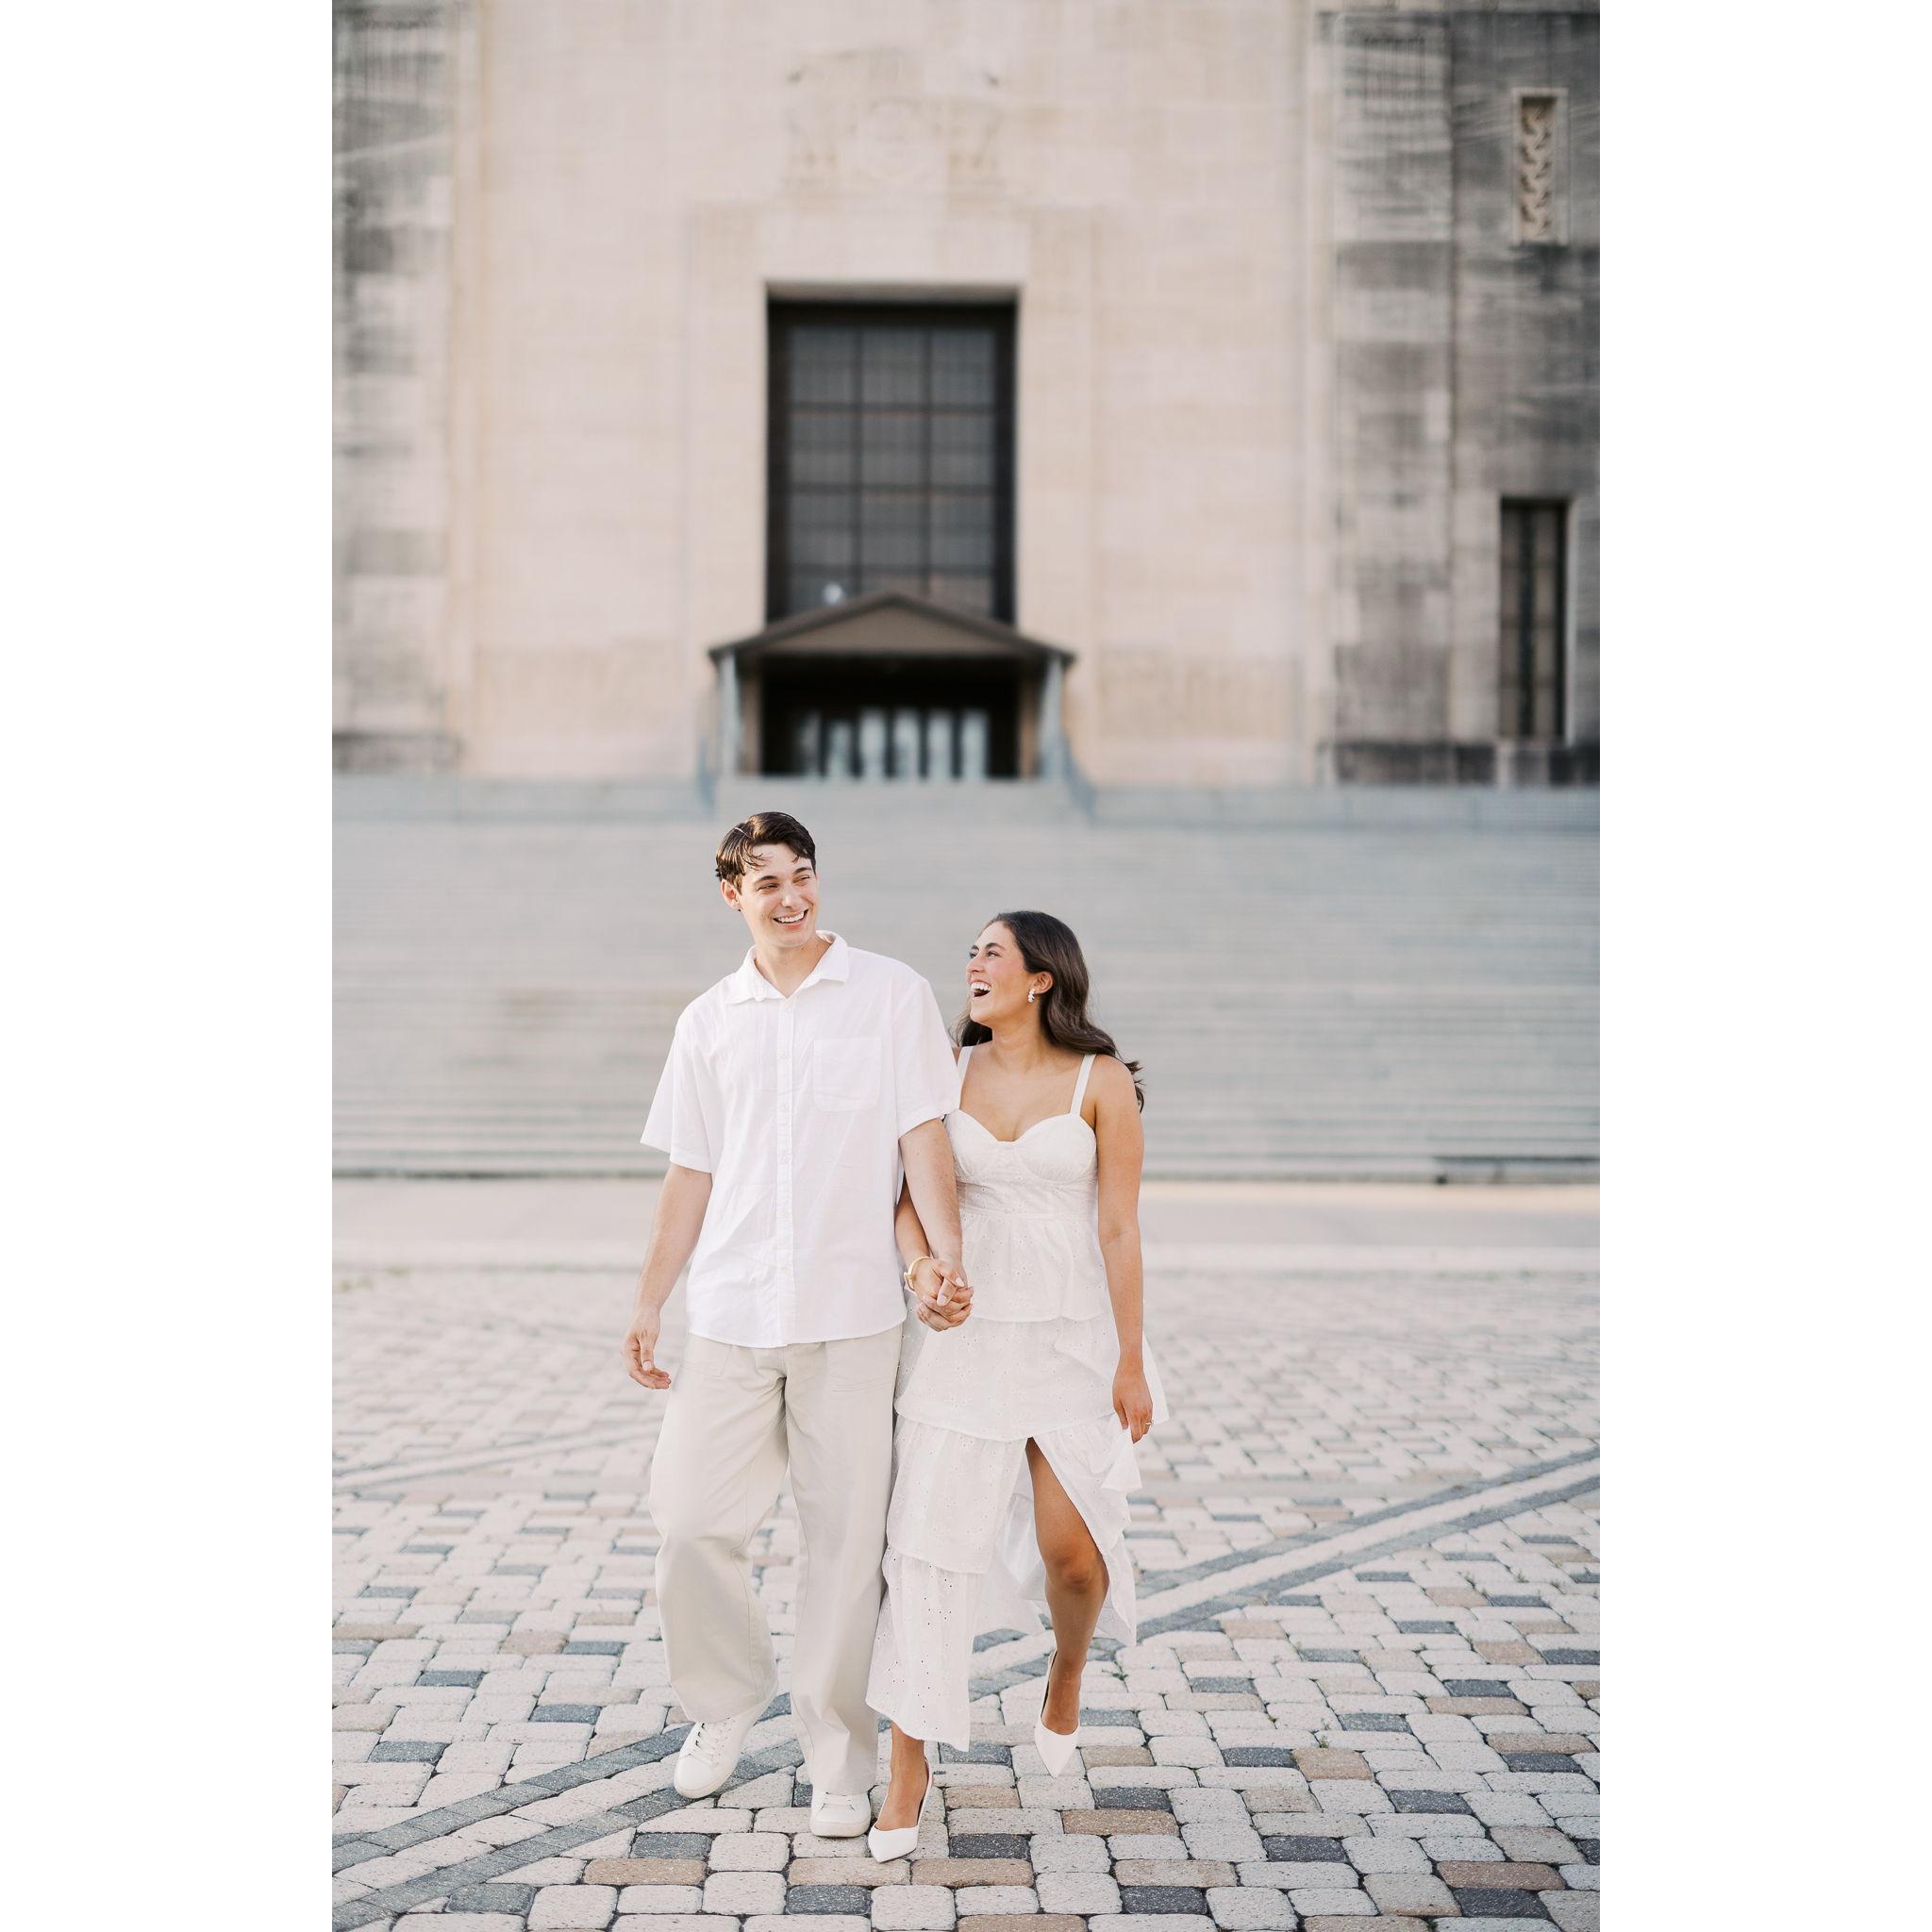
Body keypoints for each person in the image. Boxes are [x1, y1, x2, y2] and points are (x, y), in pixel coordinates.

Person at [622, 812, 971, 1839]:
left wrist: (945, 1257)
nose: (791, 896)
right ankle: (725, 1701)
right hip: (731, 1312)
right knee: (689, 1520)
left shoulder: (891, 994)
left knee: (845, 1548)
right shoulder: (708, 1020)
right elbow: (690, 1171)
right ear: (732, 895)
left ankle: (837, 1757)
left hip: (852, 1313)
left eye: (803, 874)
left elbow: (923, 1137)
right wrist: (648, 1298)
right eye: (767, 881)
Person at [863, 908, 1167, 1861]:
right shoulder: (942, 1071)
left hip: (1071, 1340)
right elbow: (906, 1201)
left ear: (1041, 978)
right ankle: (907, 1763)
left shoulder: (1099, 1081)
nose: (973, 963)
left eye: (992, 951)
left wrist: (1130, 1358)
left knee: (1072, 1555)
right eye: (971, 952)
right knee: (927, 1549)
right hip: (964, 1340)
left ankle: (1066, 1669)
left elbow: (1119, 1226)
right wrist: (922, 1270)